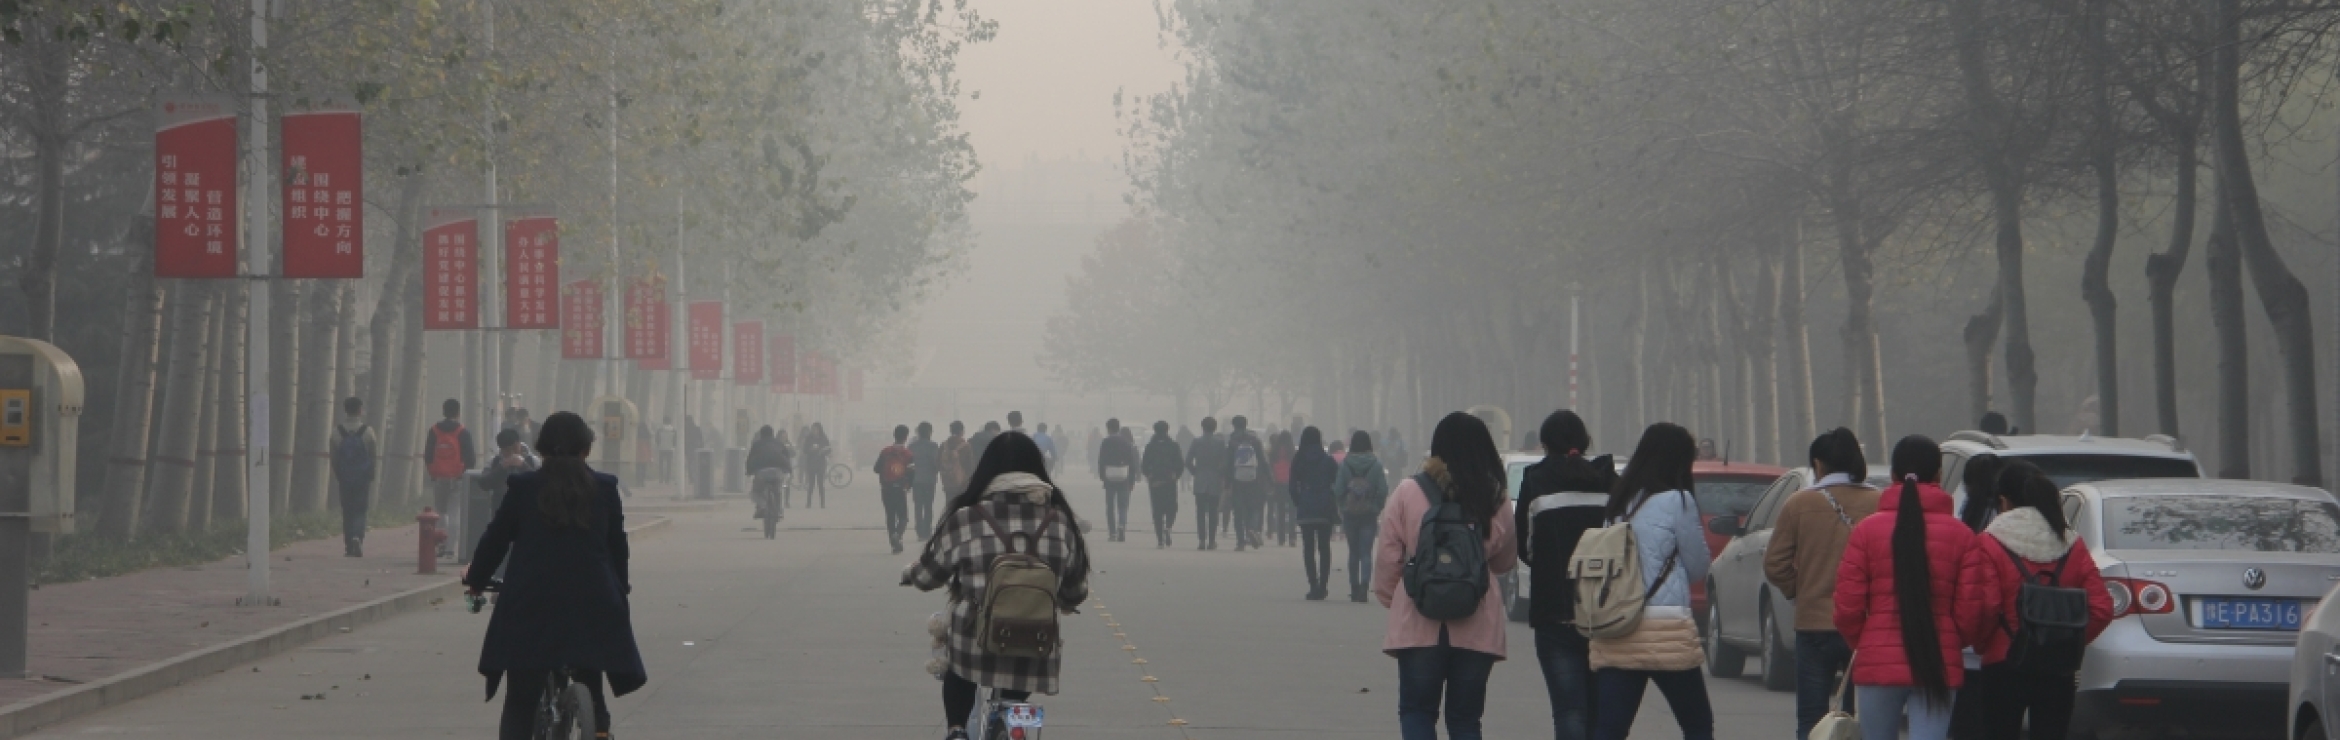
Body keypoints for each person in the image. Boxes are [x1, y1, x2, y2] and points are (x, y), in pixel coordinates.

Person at [464, 412, 647, 740]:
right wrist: (618, 589)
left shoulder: (522, 488)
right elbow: (617, 549)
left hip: (531, 605)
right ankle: (600, 727)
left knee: (520, 700)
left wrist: (476, 579)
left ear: (542, 450)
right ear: (586, 450)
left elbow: (495, 540)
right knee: (591, 670)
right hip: (593, 601)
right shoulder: (605, 489)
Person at [903, 432, 1092, 740]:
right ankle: (1012, 719)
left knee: (958, 671)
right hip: (1034, 643)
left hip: (974, 642)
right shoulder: (1060, 522)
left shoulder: (966, 518)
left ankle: (956, 731)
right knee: (1016, 688)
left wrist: (910, 574)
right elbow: (1075, 591)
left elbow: (927, 577)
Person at [1374, 412, 1518, 740]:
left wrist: (1395, 599)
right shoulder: (1496, 497)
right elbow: (1504, 562)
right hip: (1477, 621)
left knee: (1416, 711)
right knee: (1465, 719)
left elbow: (1388, 558)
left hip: (1419, 621)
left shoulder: (1408, 491)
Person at [1952, 462, 2113, 740]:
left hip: (2003, 661)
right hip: (2058, 668)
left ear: (2003, 501)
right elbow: (2102, 607)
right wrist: (2066, 638)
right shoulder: (2071, 543)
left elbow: (1987, 605)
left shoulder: (1990, 542)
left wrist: (1981, 643)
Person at [1834, 436, 1974, 740]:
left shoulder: (1866, 531)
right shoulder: (1962, 536)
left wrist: (1866, 639)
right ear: (1938, 475)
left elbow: (1847, 606)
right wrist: (1951, 637)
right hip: (1937, 662)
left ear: (1894, 476)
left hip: (1877, 665)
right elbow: (1974, 609)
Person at [1586, 423, 1713, 740]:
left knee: (1610, 728)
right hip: (1666, 628)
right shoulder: (1678, 501)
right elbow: (1698, 566)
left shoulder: (1618, 504)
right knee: (1697, 723)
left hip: (1619, 625)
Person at [1764, 428, 1882, 740]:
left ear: (1818, 464)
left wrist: (1798, 591)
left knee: (1812, 719)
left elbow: (1775, 564)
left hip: (1814, 624)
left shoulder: (1798, 504)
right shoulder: (1879, 503)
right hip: (1865, 625)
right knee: (1862, 718)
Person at [1515, 410, 1616, 740]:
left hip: (1554, 612)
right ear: (1585, 443)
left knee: (1569, 710)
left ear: (1544, 445)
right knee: (1601, 712)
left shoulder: (1535, 481)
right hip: (1605, 615)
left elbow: (1525, 549)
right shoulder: (1608, 481)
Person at [1288, 426, 1340, 600]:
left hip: (1306, 504)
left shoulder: (1298, 459)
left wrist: (1299, 501)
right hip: (1324, 506)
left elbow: (1292, 487)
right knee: (1324, 547)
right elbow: (1337, 483)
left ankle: (1313, 584)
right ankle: (1323, 586)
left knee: (1308, 547)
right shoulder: (1328, 460)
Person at [424, 399, 479, 559]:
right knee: (455, 512)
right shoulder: (462, 431)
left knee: (441, 512)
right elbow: (471, 458)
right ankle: (450, 548)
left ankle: (440, 544)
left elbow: (428, 455)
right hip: (458, 477)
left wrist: (433, 472)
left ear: (443, 411)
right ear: (458, 412)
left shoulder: (434, 430)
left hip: (439, 477)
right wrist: (464, 473)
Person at [473, 428, 541, 555]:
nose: (510, 453)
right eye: (506, 451)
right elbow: (484, 483)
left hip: (527, 511)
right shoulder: (495, 461)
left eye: (513, 449)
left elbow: (540, 484)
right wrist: (501, 468)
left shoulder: (533, 461)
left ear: (519, 444)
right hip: (500, 509)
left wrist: (523, 465)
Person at [329, 396, 381, 558]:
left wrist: (339, 474)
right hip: (362, 477)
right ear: (360, 410)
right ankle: (357, 537)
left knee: (347, 510)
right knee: (360, 509)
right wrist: (372, 473)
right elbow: (373, 456)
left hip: (345, 477)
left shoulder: (336, 432)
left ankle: (348, 544)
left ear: (345, 410)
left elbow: (334, 457)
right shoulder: (368, 431)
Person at [1225, 416, 1271, 551]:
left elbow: (1228, 463)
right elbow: (1263, 461)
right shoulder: (1255, 441)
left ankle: (1240, 542)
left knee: (1238, 512)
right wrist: (1269, 479)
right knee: (1254, 507)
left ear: (1234, 425)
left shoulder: (1232, 442)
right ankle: (1252, 528)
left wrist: (1227, 482)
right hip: (1254, 480)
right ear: (1246, 424)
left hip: (1237, 480)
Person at [1186, 417, 1229, 550]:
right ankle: (1211, 541)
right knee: (1213, 512)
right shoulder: (1220, 443)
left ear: (1202, 427)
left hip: (1200, 480)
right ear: (1215, 428)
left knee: (1200, 512)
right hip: (1215, 480)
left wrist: (1195, 472)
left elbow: (1188, 461)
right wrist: (1220, 474)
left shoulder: (1196, 442)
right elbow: (1225, 462)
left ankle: (1201, 540)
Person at [1141, 421, 1185, 549]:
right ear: (1167, 430)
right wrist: (1176, 476)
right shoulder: (1173, 446)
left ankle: (1160, 540)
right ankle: (1168, 527)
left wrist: (1149, 475)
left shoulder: (1150, 446)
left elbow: (1144, 465)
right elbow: (1180, 464)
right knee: (1172, 507)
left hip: (1155, 482)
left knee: (1157, 511)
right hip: (1169, 482)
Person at [1095, 419, 1138, 542]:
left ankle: (1112, 533)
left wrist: (1102, 476)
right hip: (1124, 477)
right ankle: (1122, 526)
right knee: (1123, 505)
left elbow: (1101, 460)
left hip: (1110, 477)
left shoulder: (1106, 442)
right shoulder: (1126, 442)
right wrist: (1132, 480)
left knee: (1110, 506)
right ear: (1118, 428)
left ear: (1108, 428)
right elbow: (1132, 462)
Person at [877, 425, 918, 553]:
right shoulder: (908, 454)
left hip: (886, 488)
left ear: (894, 435)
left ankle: (894, 543)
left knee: (890, 515)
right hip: (900, 489)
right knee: (903, 517)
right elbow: (911, 473)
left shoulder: (885, 451)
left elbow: (876, 468)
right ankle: (898, 536)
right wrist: (908, 485)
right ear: (906, 437)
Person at [745, 425, 791, 519]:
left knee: (756, 492)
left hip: (761, 473)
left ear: (761, 434)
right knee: (778, 491)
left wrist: (749, 471)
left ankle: (762, 506)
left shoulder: (757, 444)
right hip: (777, 472)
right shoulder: (779, 443)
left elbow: (750, 459)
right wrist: (788, 470)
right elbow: (786, 457)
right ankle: (779, 511)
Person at [910, 422, 943, 540]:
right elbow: (935, 462)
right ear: (929, 432)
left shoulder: (912, 446)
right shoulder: (933, 446)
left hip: (915, 480)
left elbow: (909, 464)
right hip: (929, 480)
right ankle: (927, 531)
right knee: (928, 506)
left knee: (918, 506)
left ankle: (919, 531)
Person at [1270, 429, 1297, 548]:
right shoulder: (1293, 452)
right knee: (1292, 511)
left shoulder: (1274, 452)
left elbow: (1270, 467)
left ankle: (1281, 538)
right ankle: (1292, 537)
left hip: (1278, 482)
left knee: (1280, 511)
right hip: (1291, 483)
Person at [940, 421, 974, 500]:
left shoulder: (944, 445)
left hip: (947, 481)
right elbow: (970, 465)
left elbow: (938, 463)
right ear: (961, 431)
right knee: (960, 505)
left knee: (949, 504)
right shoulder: (966, 446)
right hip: (962, 482)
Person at [801, 422, 832, 508]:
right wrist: (811, 449)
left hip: (821, 463)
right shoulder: (809, 438)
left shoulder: (823, 438)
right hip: (811, 463)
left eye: (816, 429)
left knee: (820, 484)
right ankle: (808, 503)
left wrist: (823, 451)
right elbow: (805, 450)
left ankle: (822, 503)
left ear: (819, 429)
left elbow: (828, 449)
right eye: (813, 429)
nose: (815, 431)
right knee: (811, 484)